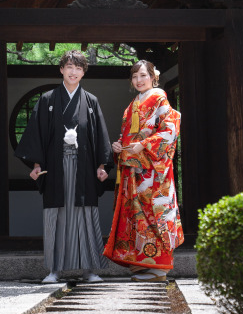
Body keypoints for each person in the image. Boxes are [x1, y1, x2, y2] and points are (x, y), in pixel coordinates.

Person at [14, 50, 113, 284]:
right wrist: (36, 163)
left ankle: (89, 270)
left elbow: (100, 136)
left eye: (78, 68)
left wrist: (103, 165)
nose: (73, 71)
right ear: (61, 69)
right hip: (56, 167)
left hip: (85, 167)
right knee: (55, 216)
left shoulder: (91, 101)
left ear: (83, 72)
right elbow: (36, 135)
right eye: (69, 66)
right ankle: (54, 270)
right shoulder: (48, 99)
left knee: (86, 215)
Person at [103, 60, 184, 282]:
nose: (139, 80)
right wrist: (119, 146)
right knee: (136, 216)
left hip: (152, 171)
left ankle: (158, 268)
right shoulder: (132, 105)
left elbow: (170, 129)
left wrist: (145, 145)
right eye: (135, 77)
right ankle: (141, 264)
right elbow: (130, 134)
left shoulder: (159, 97)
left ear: (153, 77)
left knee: (153, 214)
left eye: (143, 75)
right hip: (132, 169)